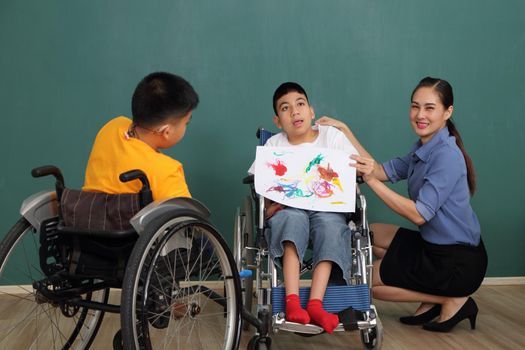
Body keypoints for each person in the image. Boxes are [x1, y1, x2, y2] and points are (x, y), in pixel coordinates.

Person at [316, 76, 488, 333]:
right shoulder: (424, 147)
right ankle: (432, 297)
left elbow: (420, 215)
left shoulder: (446, 156)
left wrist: (372, 182)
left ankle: (451, 300)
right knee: (369, 232)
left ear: (447, 112)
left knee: (370, 285)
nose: (420, 114)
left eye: (429, 108)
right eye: (415, 106)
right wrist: (344, 130)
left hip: (456, 261)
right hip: (434, 247)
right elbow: (379, 169)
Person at [249, 82, 360, 333]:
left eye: (300, 105)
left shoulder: (332, 137)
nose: (294, 112)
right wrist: (267, 207)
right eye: (285, 108)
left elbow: (356, 169)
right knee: (292, 221)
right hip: (289, 209)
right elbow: (260, 185)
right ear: (278, 121)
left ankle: (316, 305)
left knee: (332, 228)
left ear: (311, 111)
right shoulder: (274, 146)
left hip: (327, 209)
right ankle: (292, 302)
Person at [83, 72, 198, 200]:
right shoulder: (166, 172)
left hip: (89, 217)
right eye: (186, 122)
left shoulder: (112, 127)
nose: (186, 126)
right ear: (166, 131)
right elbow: (186, 219)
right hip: (131, 220)